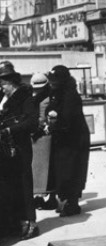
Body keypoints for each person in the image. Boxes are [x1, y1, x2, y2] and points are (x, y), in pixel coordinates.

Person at [0, 62, 39, 240]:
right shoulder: (4, 98)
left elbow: (31, 123)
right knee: (11, 185)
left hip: (20, 147)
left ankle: (30, 222)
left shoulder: (25, 98)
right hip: (7, 149)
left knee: (24, 183)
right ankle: (16, 222)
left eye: (4, 84)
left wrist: (10, 130)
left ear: (12, 82)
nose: (2, 88)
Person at [45, 65, 90, 217]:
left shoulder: (71, 95)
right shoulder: (56, 92)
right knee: (62, 171)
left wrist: (55, 121)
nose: (51, 84)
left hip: (75, 139)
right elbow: (50, 108)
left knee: (72, 171)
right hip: (64, 138)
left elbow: (68, 119)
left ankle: (73, 204)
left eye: (54, 82)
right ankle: (64, 201)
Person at [30, 72, 58, 211]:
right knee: (40, 171)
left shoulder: (46, 98)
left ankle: (48, 198)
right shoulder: (46, 97)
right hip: (40, 137)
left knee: (46, 171)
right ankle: (40, 197)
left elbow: (48, 118)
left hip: (45, 136)